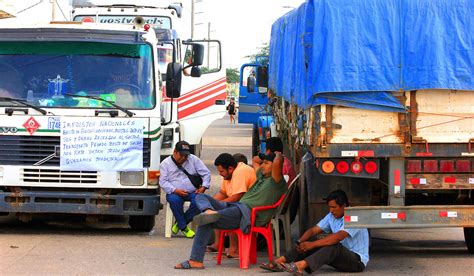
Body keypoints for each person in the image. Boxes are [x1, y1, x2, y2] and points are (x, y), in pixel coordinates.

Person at [174, 152, 287, 270]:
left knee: (205, 221)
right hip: (237, 207)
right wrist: (266, 156)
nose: (262, 165)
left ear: (275, 166)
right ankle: (208, 210)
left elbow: (278, 162)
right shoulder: (262, 176)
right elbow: (255, 159)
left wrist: (277, 154)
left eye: (267, 163)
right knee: (200, 196)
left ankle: (195, 260)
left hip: (246, 213)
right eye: (263, 163)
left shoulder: (276, 181)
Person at [260, 190, 369, 274]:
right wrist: (300, 242)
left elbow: (338, 237)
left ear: (344, 205)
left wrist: (311, 245)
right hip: (342, 256)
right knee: (311, 240)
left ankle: (299, 266)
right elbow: (313, 230)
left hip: (357, 261)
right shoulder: (332, 216)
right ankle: (278, 262)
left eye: (334, 207)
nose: (331, 210)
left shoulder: (355, 216)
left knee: (333, 245)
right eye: (329, 207)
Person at [206, 153, 257, 258]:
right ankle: (218, 244)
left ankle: (234, 250)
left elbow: (237, 196)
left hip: (249, 208)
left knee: (227, 210)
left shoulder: (240, 172)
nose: (220, 174)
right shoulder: (229, 175)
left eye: (221, 171)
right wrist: (211, 203)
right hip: (240, 205)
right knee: (215, 208)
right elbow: (222, 193)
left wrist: (220, 206)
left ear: (230, 169)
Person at [160, 141, 212, 238]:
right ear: (175, 152)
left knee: (200, 202)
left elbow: (206, 174)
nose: (184, 158)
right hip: (175, 192)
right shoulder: (165, 164)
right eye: (181, 155)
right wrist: (175, 190)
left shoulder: (193, 159)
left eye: (186, 156)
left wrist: (203, 187)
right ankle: (184, 227)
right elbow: (163, 182)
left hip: (192, 191)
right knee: (173, 200)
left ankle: (179, 224)